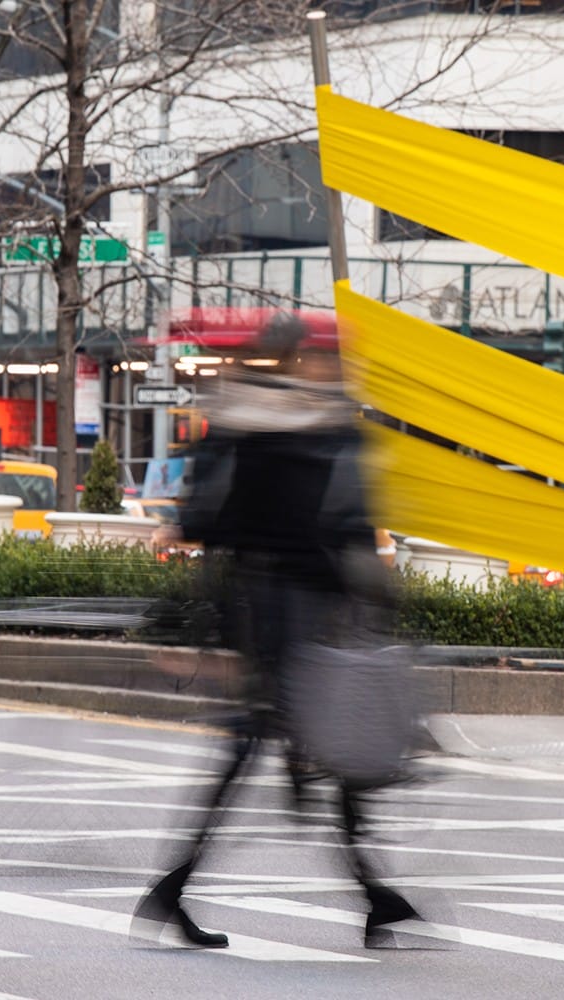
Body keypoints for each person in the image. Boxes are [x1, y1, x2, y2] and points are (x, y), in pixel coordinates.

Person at [132, 312, 422, 949]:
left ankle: (369, 896)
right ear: (307, 359)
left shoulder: (243, 417)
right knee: (314, 749)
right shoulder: (321, 425)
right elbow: (348, 524)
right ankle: (367, 895)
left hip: (256, 607)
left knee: (285, 751)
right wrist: (379, 603)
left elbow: (206, 517)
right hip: (300, 614)